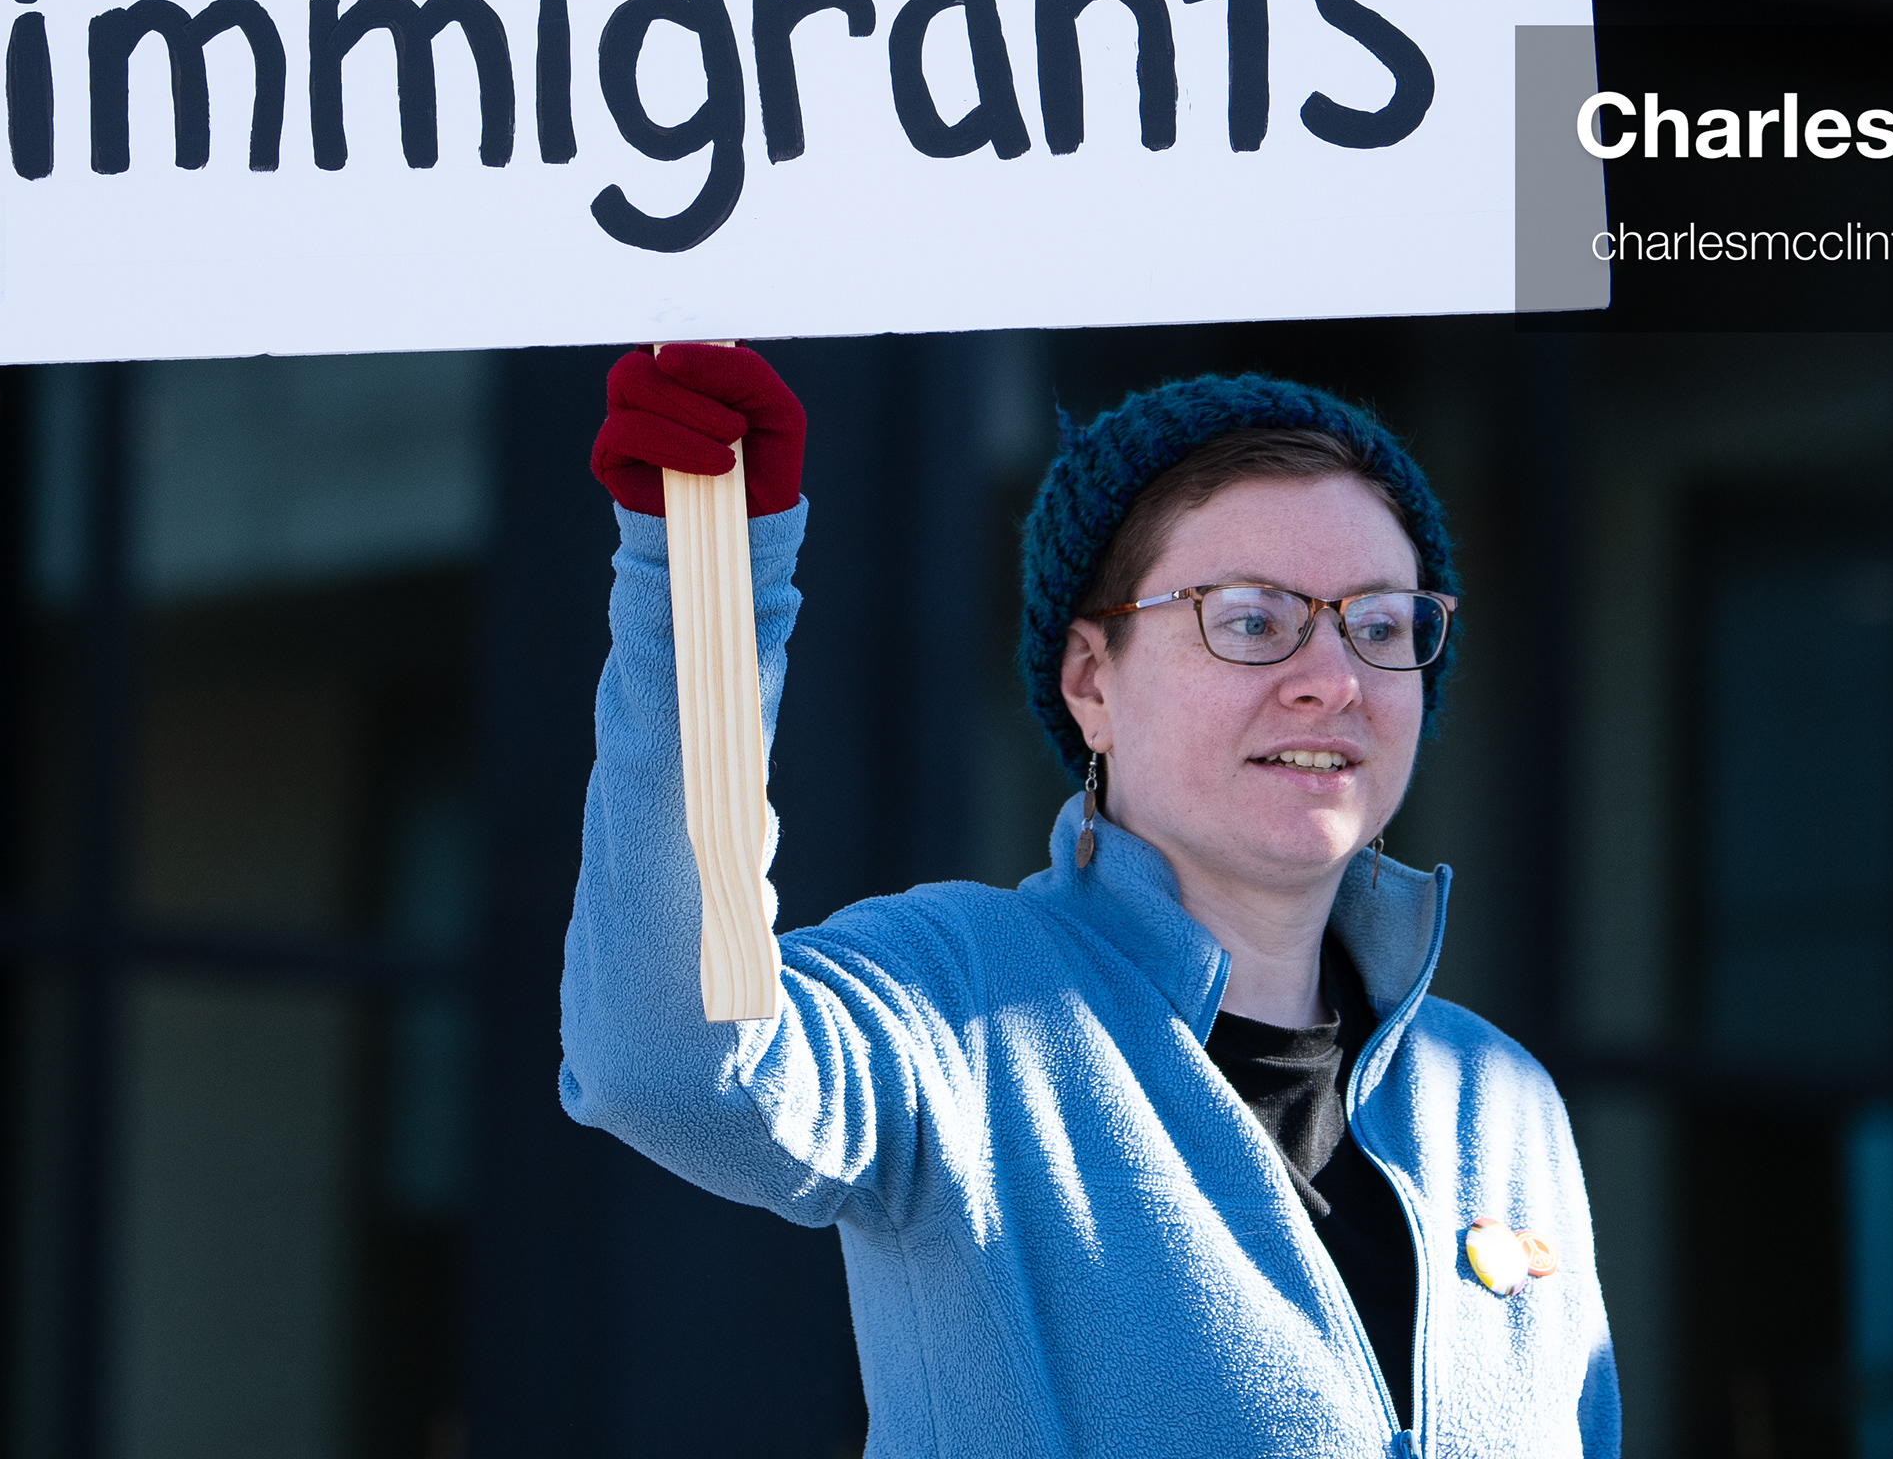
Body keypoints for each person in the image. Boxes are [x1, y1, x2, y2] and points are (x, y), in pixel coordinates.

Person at [562, 343, 1618, 1457]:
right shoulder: (962, 1001)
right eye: (1252, 619)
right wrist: (706, 580)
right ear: (1090, 681)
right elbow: (671, 1058)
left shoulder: (1499, 1103)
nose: (1333, 676)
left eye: (1382, 622)